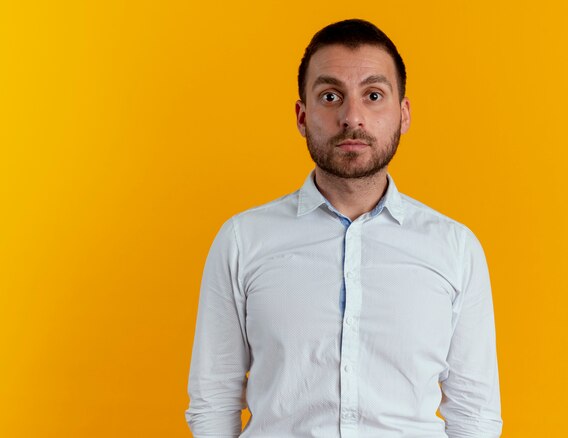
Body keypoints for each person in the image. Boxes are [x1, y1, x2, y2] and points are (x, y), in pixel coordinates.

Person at [185, 19, 502, 438]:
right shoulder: (242, 241)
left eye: (373, 95)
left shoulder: (455, 249)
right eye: (330, 96)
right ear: (301, 115)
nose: (352, 117)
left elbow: (475, 414)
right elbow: (214, 401)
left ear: (403, 114)